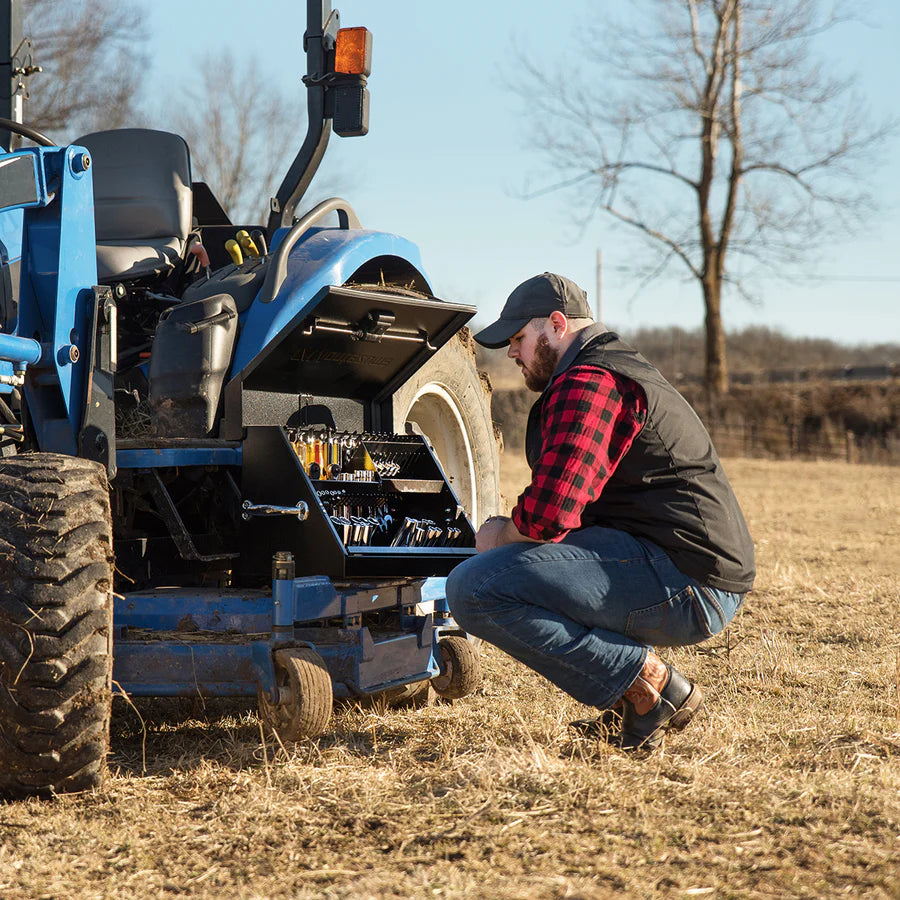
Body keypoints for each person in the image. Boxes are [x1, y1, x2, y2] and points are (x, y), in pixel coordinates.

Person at [446, 272, 755, 752]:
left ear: (555, 325)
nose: (511, 352)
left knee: (474, 587)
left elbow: (548, 516)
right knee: (523, 570)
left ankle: (649, 686)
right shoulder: (612, 367)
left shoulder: (591, 380)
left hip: (689, 581)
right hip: (683, 566)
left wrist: (501, 533)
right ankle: (638, 699)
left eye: (518, 338)